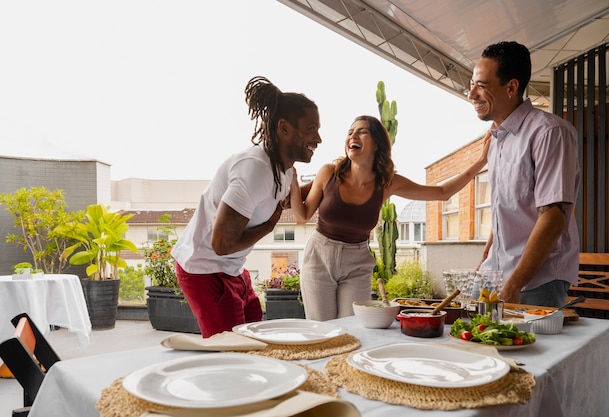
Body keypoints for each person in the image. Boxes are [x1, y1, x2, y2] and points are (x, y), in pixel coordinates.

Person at [289, 115, 491, 321]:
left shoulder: (387, 182)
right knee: (322, 329)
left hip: (356, 262)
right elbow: (302, 215)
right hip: (319, 256)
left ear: (377, 143)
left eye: (361, 131)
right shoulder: (329, 172)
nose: (353, 136)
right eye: (350, 132)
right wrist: (293, 182)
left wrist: (481, 161)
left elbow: (442, 192)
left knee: (351, 327)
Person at [171, 76, 321, 337]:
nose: (318, 138)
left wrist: (329, 182)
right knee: (232, 351)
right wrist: (269, 227)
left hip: (232, 268)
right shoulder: (255, 169)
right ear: (284, 128)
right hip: (205, 269)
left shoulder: (283, 169)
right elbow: (221, 244)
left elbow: (277, 201)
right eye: (311, 129)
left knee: (255, 338)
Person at [469, 41, 580, 307]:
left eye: (482, 85)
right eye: (472, 84)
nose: (472, 94)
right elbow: (506, 207)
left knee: (528, 349)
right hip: (492, 274)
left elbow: (553, 218)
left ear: (511, 87)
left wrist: (514, 283)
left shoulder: (550, 132)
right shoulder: (496, 139)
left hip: (535, 281)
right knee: (469, 344)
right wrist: (488, 254)